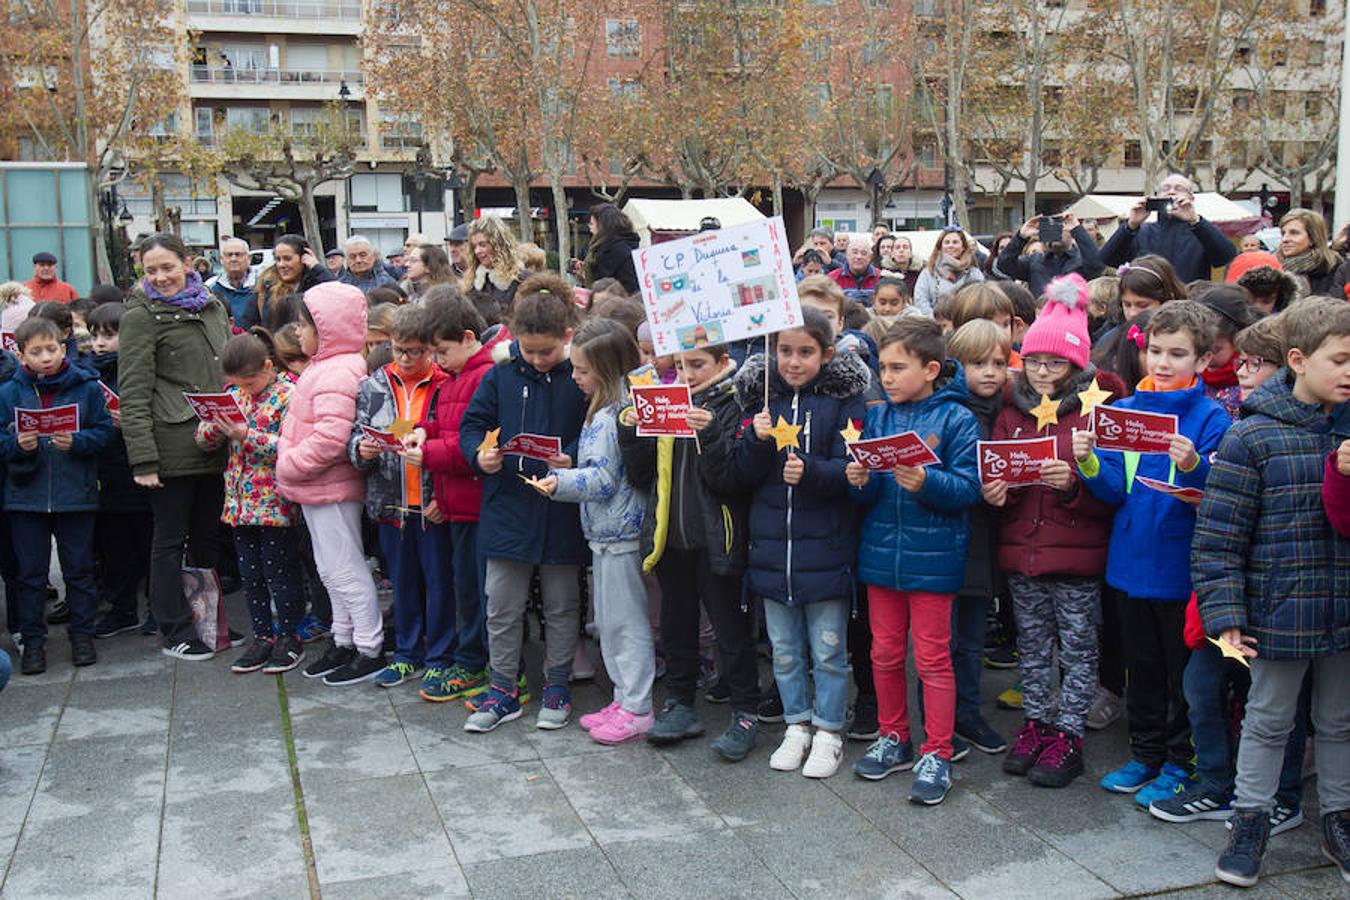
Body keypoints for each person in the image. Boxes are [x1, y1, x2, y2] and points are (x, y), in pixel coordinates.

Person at [1193, 296, 1350, 887]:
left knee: (1339, 720)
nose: (1349, 372)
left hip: (1344, 607)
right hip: (1280, 610)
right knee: (1267, 719)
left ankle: (1338, 816)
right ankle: (1250, 820)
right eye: (1339, 360)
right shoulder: (1253, 437)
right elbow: (1219, 538)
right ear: (1297, 359)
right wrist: (1226, 612)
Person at [1072, 301, 1232, 806]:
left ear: (1202, 361)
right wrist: (1089, 462)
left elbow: (1221, 495)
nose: (1162, 363)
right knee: (1139, 669)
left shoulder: (1211, 417)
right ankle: (1145, 754)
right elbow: (1116, 491)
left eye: (1177, 354)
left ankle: (1181, 763)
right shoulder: (1122, 412)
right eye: (1155, 351)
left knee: (1181, 675)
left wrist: (1193, 467)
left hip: (1181, 570)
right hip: (1128, 563)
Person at [985, 275, 1125, 788]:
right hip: (1023, 552)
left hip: (1077, 556)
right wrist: (1000, 490)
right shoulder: (1011, 411)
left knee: (1079, 647)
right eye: (1036, 361)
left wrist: (1074, 483)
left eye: (1056, 362)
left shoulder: (1095, 410)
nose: (1043, 371)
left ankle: (1069, 732)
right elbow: (999, 469)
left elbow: (1114, 490)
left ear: (1076, 364)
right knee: (1034, 644)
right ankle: (1037, 723)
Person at [847, 317, 981, 805]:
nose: (886, 376)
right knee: (883, 653)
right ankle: (893, 737)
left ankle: (938, 751)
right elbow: (867, 491)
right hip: (881, 557)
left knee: (931, 658)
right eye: (882, 366)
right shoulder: (879, 417)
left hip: (934, 561)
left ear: (930, 369)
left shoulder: (957, 419)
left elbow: (969, 489)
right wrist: (858, 481)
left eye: (897, 367)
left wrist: (929, 483)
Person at [733, 308, 867, 778]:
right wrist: (754, 438)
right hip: (771, 553)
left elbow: (854, 471)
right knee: (785, 651)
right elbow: (741, 474)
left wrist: (811, 471)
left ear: (826, 354)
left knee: (829, 651)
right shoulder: (760, 401)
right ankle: (796, 725)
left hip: (825, 550)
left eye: (805, 352)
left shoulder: (844, 403)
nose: (793, 361)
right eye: (785, 351)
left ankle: (829, 731)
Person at [619, 339, 760, 759]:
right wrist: (630, 430)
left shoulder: (736, 403)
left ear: (722, 361)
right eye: (679, 366)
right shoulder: (666, 401)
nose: (687, 374)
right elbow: (641, 477)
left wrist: (711, 432)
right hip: (670, 534)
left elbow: (732, 479)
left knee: (729, 628)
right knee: (676, 624)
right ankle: (680, 702)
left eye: (697, 365)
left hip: (717, 538)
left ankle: (745, 710)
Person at [459, 274, 588, 733]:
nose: (536, 359)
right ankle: (502, 688)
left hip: (561, 505)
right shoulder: (499, 375)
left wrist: (573, 454)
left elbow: (597, 428)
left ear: (567, 338)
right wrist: (480, 455)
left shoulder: (580, 375)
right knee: (501, 603)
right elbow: (472, 424)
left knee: (561, 602)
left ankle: (557, 682)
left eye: (546, 352)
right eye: (529, 350)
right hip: (508, 504)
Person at [529, 320, 654, 744]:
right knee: (612, 622)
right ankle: (624, 698)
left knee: (625, 624)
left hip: (619, 533)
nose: (576, 377)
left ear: (604, 367)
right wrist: (571, 469)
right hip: (606, 533)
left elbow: (603, 481)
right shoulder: (606, 410)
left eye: (582, 370)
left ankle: (637, 705)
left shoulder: (615, 412)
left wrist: (560, 483)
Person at [119, 233, 232, 661]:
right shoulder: (141, 316)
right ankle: (173, 627)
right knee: (169, 540)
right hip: (169, 443)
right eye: (151, 270)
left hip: (215, 439)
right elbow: (133, 390)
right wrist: (143, 458)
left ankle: (208, 620)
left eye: (168, 266)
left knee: (207, 536)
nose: (161, 277)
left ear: (188, 262)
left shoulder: (212, 305)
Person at [404, 288, 509, 703]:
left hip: (479, 505)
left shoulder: (485, 377)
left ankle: (486, 666)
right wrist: (422, 433)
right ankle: (471, 662)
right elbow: (445, 425)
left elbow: (476, 446)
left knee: (483, 595)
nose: (436, 361)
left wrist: (426, 452)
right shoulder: (456, 377)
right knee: (466, 588)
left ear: (469, 337)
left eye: (441, 351)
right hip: (459, 506)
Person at [279, 282, 387, 685]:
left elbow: (330, 438)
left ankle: (369, 646)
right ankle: (345, 639)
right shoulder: (326, 367)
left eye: (304, 325)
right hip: (319, 487)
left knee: (344, 569)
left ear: (327, 328)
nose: (297, 333)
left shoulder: (339, 370)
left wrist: (288, 465)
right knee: (330, 569)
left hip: (330, 486)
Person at [0, 316, 114, 674]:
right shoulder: (8, 392)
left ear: (63, 347)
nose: (46, 357)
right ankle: (33, 642)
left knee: (78, 570)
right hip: (26, 497)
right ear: (21, 355)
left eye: (52, 349)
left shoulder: (86, 386)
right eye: (36, 352)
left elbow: (104, 432)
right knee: (30, 575)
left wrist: (78, 442)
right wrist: (17, 444)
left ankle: (82, 636)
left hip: (75, 492)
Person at [349, 304, 452, 695]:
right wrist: (363, 449)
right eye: (398, 350)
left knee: (440, 583)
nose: (405, 359)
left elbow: (452, 442)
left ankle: (441, 656)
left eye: (414, 351)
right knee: (402, 582)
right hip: (390, 500)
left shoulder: (445, 383)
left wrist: (443, 496)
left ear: (430, 349)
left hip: (430, 503)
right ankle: (407, 651)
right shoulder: (373, 385)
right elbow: (354, 439)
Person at [198, 330, 306, 675]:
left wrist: (248, 436)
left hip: (275, 502)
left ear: (268, 367)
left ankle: (289, 636)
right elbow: (201, 439)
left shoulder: (288, 395)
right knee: (251, 574)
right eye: (237, 383)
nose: (244, 389)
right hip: (239, 504)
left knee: (280, 572)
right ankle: (263, 636)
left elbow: (290, 446)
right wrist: (213, 428)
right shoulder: (234, 396)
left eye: (249, 382)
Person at [944, 318, 1013, 758]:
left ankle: (967, 712)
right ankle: (940, 718)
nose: (990, 371)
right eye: (977, 363)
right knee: (942, 641)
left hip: (984, 543)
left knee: (970, 638)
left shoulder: (1010, 411)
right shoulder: (947, 410)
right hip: (948, 542)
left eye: (999, 362)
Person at [86, 304, 153, 639]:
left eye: (109, 336)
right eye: (95, 335)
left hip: (139, 470)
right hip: (104, 473)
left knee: (148, 541)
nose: (100, 343)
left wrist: (131, 425)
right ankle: (122, 608)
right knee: (115, 548)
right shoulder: (86, 374)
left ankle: (157, 607)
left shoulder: (139, 368)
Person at [1100, 173, 1238, 283]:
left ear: (1191, 198)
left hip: (1189, 304)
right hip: (1150, 303)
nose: (1171, 192)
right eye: (1165, 189)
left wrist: (1195, 221)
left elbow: (1226, 256)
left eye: (1179, 189)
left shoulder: (1202, 231)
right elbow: (1108, 259)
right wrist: (1131, 225)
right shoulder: (1141, 231)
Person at [996, 213, 1105, 298]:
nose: (1056, 233)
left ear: (1071, 232)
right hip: (1040, 321)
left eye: (1061, 227)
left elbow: (1097, 265)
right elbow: (1004, 264)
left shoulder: (1081, 262)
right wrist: (1021, 237)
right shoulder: (1035, 261)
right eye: (1051, 228)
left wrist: (1078, 230)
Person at [256, 234, 335, 327]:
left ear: (304, 258)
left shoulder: (316, 282)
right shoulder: (268, 286)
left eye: (287, 259)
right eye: (278, 259)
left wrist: (317, 268)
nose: (281, 264)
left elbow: (335, 293)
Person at [1275, 208, 1350, 297]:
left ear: (1313, 238)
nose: (1285, 239)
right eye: (1283, 233)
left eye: (1294, 233)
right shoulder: (1274, 269)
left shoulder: (1334, 269)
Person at [914, 228, 984, 318]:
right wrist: (937, 321)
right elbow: (921, 302)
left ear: (963, 247)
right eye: (947, 242)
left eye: (955, 242)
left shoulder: (974, 273)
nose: (951, 246)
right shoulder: (928, 273)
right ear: (940, 247)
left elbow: (981, 299)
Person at [462, 216, 525, 309]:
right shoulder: (471, 282)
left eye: (483, 245)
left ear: (498, 245)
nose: (477, 251)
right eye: (474, 247)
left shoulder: (520, 280)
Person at [577, 203, 640, 294]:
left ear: (602, 226)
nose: (590, 228)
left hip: (614, 303)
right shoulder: (619, 244)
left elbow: (602, 281)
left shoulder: (611, 249)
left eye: (592, 224)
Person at [206, 237, 258, 328]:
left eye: (238, 254)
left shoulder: (262, 284)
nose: (233, 259)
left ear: (249, 258)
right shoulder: (210, 287)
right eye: (229, 255)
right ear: (222, 259)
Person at [829, 234, 882, 304]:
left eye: (864, 253)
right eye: (855, 252)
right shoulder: (833, 278)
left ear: (870, 257)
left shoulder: (880, 277)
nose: (859, 257)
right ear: (847, 255)